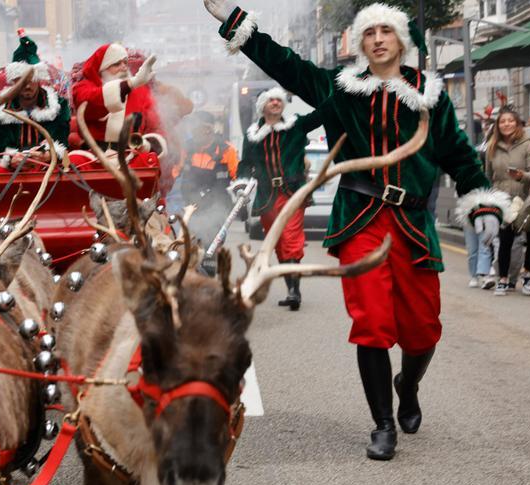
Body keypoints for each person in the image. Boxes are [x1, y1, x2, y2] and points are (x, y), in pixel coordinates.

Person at [205, 0, 511, 460]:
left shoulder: (431, 95)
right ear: (362, 43)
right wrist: (235, 21)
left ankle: (407, 386)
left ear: (402, 41)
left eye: (387, 31)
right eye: (370, 33)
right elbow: (287, 65)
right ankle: (382, 424)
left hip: (412, 224)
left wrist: (482, 201)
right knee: (370, 324)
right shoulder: (340, 89)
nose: (379, 39)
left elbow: (460, 156)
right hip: (360, 218)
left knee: (423, 331)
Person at [235, 88, 321, 310]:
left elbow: (321, 114)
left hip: (292, 193)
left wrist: (330, 91)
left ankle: (294, 292)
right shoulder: (252, 135)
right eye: (270, 100)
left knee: (291, 238)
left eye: (278, 100)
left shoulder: (296, 126)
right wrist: (241, 185)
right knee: (279, 244)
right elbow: (245, 164)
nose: (275, 103)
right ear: (262, 106)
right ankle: (291, 287)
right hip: (266, 197)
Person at [0, 34, 70, 170]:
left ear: (38, 78)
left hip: (49, 166)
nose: (27, 85)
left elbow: (62, 142)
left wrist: (48, 155)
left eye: (31, 78)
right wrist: (11, 159)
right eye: (21, 80)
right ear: (13, 81)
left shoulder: (58, 105)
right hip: (12, 171)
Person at [484, 108, 530, 296]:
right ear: (498, 126)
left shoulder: (527, 144)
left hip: (527, 200)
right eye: (503, 121)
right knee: (505, 240)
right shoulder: (492, 147)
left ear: (517, 123)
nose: (506, 124)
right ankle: (503, 279)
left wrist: (522, 175)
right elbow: (488, 175)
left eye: (510, 121)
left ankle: (527, 273)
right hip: (503, 200)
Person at [72, 42, 160, 150]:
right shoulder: (83, 87)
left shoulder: (141, 92)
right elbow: (90, 102)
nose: (124, 67)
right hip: (93, 158)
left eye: (125, 63)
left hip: (130, 156)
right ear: (102, 69)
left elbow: (156, 129)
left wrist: (148, 145)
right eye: (116, 64)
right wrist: (130, 84)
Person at [178, 111, 239, 247]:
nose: (195, 132)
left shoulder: (227, 150)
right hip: (190, 207)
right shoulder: (186, 149)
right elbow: (175, 174)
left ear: (209, 129)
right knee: (189, 246)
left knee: (210, 245)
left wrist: (241, 192)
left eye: (199, 128)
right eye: (194, 128)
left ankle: (211, 264)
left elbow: (238, 179)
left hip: (217, 207)